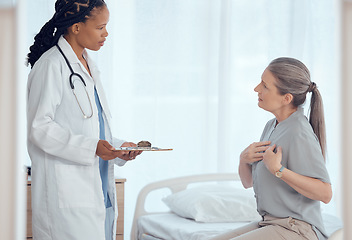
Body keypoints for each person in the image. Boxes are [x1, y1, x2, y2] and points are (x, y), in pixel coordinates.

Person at [26, 1, 141, 239]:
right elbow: (39, 128)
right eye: (100, 27)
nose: (106, 33)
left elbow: (91, 125)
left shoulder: (88, 66)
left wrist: (116, 147)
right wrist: (92, 147)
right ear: (76, 27)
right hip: (67, 195)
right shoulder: (50, 65)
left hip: (95, 187)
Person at [211, 57, 332, 240]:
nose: (256, 89)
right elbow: (248, 182)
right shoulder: (272, 126)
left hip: (298, 229)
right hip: (271, 222)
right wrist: (243, 160)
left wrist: (279, 170)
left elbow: (325, 193)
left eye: (265, 86)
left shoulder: (298, 132)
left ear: (286, 98)